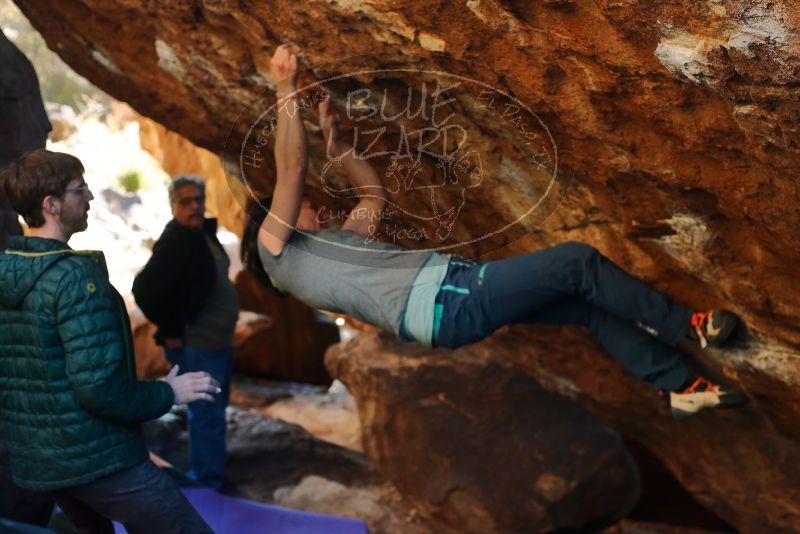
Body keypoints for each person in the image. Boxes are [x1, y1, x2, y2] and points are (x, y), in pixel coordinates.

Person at [240, 45, 748, 420]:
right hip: (451, 302)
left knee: (587, 305)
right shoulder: (275, 251)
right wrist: (284, 87)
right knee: (575, 261)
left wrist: (337, 144)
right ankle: (690, 327)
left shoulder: (335, 251)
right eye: (309, 208)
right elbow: (290, 170)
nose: (318, 211)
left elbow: (373, 198)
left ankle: (677, 384)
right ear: (277, 218)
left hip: (454, 296)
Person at [0, 149, 216, 533]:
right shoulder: (73, 282)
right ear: (51, 205)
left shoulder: (9, 269)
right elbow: (99, 388)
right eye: (78, 189)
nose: (90, 197)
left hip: (40, 461)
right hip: (96, 460)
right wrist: (169, 393)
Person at [132, 175, 238, 490]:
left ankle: (210, 476)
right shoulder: (177, 239)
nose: (194, 207)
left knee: (212, 412)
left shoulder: (199, 234)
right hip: (200, 345)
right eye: (185, 201)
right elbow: (145, 290)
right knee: (206, 415)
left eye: (199, 200)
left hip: (215, 343)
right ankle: (208, 485)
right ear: (173, 205)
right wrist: (171, 329)